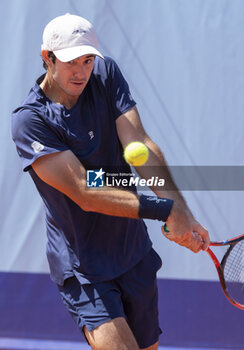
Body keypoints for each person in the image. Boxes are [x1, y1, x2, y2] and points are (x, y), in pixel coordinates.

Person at [11, 13, 210, 350]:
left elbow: (142, 145)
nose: (82, 70)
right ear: (47, 58)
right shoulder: (30, 121)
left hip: (132, 252)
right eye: (72, 61)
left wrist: (183, 213)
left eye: (88, 59)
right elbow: (85, 190)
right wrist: (165, 210)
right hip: (84, 268)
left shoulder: (105, 74)